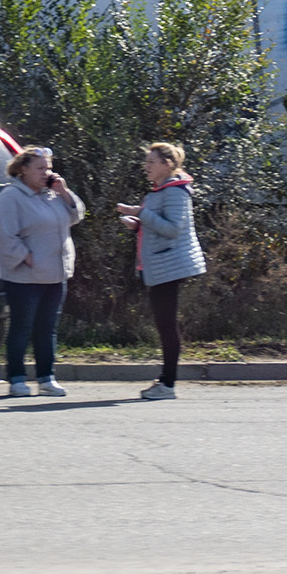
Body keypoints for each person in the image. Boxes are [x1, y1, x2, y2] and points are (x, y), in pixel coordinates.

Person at [115, 142, 206, 400]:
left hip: (170, 266)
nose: (146, 167)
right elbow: (159, 226)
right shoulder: (161, 190)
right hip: (160, 265)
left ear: (167, 164)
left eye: (151, 162)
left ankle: (167, 384)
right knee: (164, 324)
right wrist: (137, 224)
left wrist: (140, 213)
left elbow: (174, 229)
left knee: (166, 325)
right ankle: (166, 382)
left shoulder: (175, 192)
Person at [0, 146, 85, 397]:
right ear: (23, 170)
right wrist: (26, 257)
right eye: (40, 168)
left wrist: (64, 192)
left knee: (47, 328)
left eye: (49, 168)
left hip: (56, 274)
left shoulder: (52, 194)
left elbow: (76, 216)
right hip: (25, 276)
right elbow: (5, 235)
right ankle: (17, 378)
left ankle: (46, 377)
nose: (47, 173)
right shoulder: (11, 197)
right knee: (22, 327)